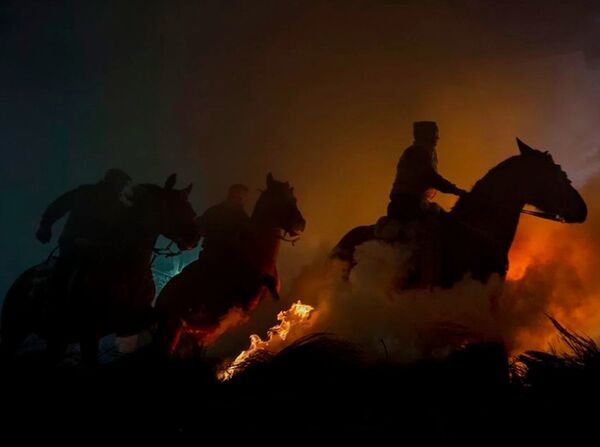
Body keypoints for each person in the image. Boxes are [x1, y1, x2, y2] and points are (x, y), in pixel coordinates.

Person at [36, 168, 131, 269]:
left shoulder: (87, 193)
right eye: (122, 183)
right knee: (64, 273)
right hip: (75, 245)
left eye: (123, 184)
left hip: (93, 249)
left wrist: (45, 225)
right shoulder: (86, 193)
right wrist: (45, 226)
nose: (122, 187)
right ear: (113, 181)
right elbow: (59, 206)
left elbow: (58, 206)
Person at [387, 121, 466, 223]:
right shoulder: (417, 152)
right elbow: (431, 177)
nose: (437, 138)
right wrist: (457, 191)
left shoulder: (420, 152)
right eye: (434, 134)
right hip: (408, 204)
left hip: (410, 202)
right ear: (426, 135)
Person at [196, 183, 251, 258]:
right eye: (240, 196)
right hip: (226, 256)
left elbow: (201, 228)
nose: (242, 199)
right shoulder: (242, 217)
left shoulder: (213, 211)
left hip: (212, 254)